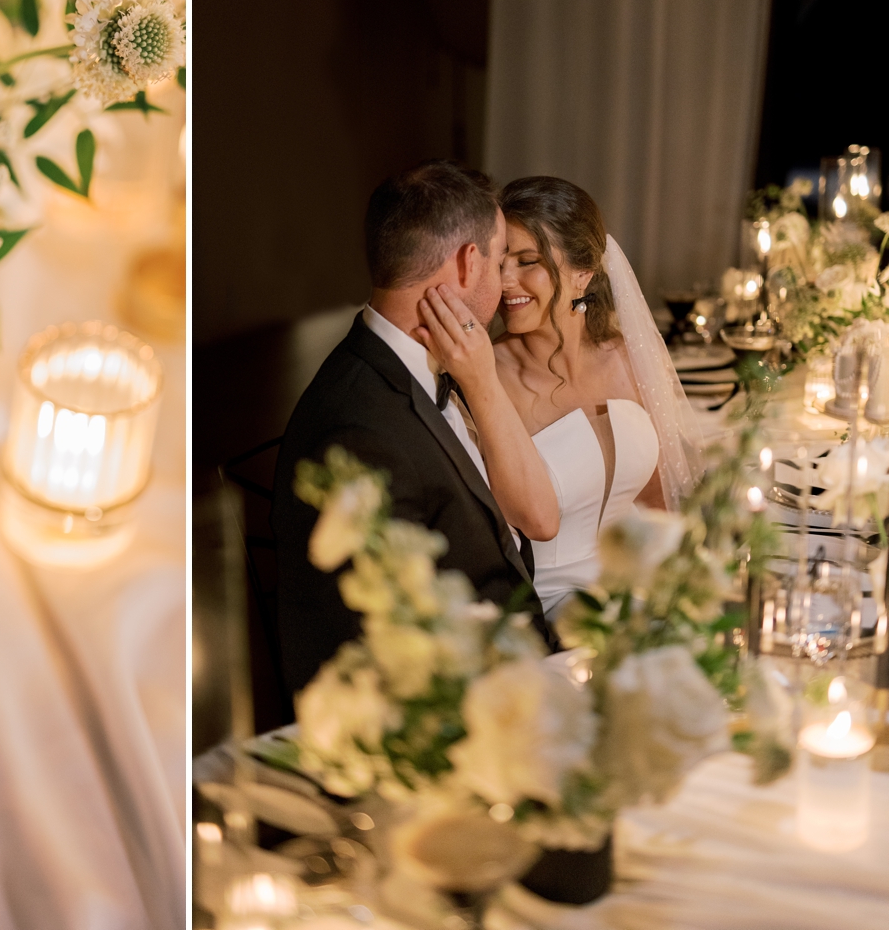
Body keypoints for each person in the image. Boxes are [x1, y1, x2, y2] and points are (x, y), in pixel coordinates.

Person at [271, 160, 556, 700]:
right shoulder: (359, 428)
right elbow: (373, 648)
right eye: (498, 262)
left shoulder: (439, 360)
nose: (502, 281)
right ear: (469, 264)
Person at [416, 175, 703, 620]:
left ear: (582, 274)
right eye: (500, 261)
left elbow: (657, 503)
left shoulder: (629, 359)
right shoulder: (481, 379)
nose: (506, 281)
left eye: (528, 261)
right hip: (544, 612)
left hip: (640, 595)